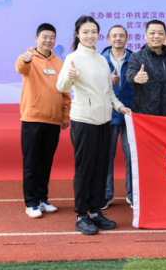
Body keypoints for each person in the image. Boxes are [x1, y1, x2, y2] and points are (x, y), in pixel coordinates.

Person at [57, 16, 131, 235]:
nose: (90, 36)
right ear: (78, 34)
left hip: (104, 120)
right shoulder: (72, 58)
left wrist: (120, 107)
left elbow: (108, 92)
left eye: (93, 32)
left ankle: (96, 211)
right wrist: (69, 76)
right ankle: (81, 215)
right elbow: (61, 87)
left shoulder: (101, 59)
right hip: (84, 121)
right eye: (85, 32)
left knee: (101, 166)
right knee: (85, 168)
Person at [16, 23, 71, 219]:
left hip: (53, 120)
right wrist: (25, 59)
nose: (48, 40)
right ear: (36, 38)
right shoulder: (28, 57)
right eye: (45, 37)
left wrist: (64, 115)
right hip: (32, 119)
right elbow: (20, 67)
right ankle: (30, 203)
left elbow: (65, 92)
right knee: (31, 163)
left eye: (52, 37)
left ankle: (42, 199)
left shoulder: (59, 63)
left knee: (46, 163)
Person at [101, 25, 134, 210]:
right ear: (108, 39)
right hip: (107, 115)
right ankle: (106, 194)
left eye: (122, 36)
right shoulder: (100, 60)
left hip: (129, 114)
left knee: (132, 158)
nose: (118, 38)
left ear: (127, 39)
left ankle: (132, 195)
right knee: (106, 157)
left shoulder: (135, 58)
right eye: (114, 36)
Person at [125, 20, 166, 116]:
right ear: (145, 35)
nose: (156, 36)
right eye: (152, 33)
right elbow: (130, 73)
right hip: (144, 114)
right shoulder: (137, 57)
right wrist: (136, 77)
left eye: (160, 33)